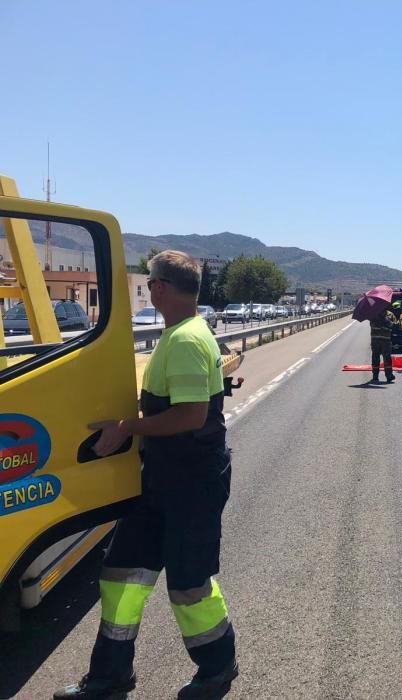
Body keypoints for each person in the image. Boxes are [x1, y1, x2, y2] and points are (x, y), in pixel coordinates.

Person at [56, 251, 238, 699]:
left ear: (159, 287)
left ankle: (218, 667)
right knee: (121, 573)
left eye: (151, 283)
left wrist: (128, 427)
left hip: (191, 483)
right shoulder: (179, 334)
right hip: (160, 479)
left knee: (190, 585)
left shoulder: (188, 340)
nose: (150, 290)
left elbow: (192, 416)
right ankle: (110, 674)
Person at [369, 309, 396, 383]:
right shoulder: (373, 314)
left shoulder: (390, 315)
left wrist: (386, 320)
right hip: (375, 340)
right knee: (375, 358)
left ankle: (389, 375)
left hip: (386, 340)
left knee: (387, 359)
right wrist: (379, 319)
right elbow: (372, 325)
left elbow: (394, 326)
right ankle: (375, 376)